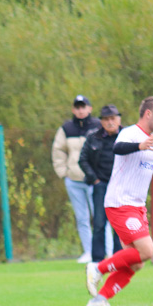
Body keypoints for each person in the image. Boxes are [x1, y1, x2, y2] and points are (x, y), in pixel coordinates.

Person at [86, 96, 153, 306]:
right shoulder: (130, 133)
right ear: (148, 114)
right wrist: (140, 145)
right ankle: (98, 267)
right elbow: (118, 148)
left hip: (136, 208)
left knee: (136, 263)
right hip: (120, 204)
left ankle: (99, 300)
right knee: (147, 250)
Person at [52, 95, 101, 264]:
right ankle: (88, 251)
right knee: (82, 218)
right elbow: (58, 151)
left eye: (83, 106)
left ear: (89, 108)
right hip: (74, 179)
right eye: (77, 107)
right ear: (73, 109)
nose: (80, 110)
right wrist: (63, 172)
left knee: (100, 216)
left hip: (94, 179)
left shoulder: (98, 126)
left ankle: (104, 251)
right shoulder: (67, 128)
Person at [79, 104, 123, 262]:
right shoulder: (93, 136)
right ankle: (97, 259)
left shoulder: (126, 136)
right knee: (99, 222)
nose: (110, 122)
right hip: (101, 185)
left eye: (113, 118)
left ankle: (119, 258)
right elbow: (82, 160)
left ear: (119, 119)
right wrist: (95, 180)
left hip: (120, 186)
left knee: (119, 223)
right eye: (106, 119)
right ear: (101, 121)